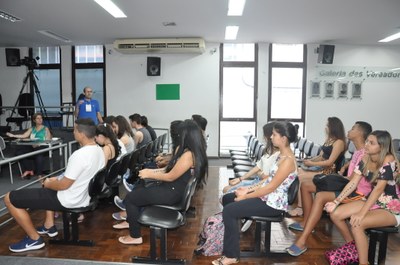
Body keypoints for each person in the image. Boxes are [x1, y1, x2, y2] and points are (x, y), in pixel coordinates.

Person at [4, 118, 105, 252]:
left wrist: (48, 183)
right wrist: (52, 181)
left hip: (68, 199)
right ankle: (49, 225)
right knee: (49, 184)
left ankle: (34, 239)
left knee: (9, 198)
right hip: (84, 196)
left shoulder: (80, 155)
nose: (73, 132)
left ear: (81, 134)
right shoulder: (100, 151)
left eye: (75, 130)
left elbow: (63, 185)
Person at [212, 121, 298, 265]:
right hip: (267, 197)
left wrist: (246, 196)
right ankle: (232, 236)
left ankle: (231, 255)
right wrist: (247, 189)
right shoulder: (280, 156)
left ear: (283, 139)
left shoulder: (288, 161)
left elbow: (271, 187)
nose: (271, 137)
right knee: (228, 198)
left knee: (229, 211)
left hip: (273, 204)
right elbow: (267, 181)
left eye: (274, 134)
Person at [287, 121, 373, 256]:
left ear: (360, 134)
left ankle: (303, 240)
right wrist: (345, 167)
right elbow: (353, 166)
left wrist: (338, 177)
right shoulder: (358, 151)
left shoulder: (365, 154)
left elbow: (353, 180)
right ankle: (307, 222)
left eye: (353, 128)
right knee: (306, 186)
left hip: (358, 193)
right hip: (347, 185)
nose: (349, 130)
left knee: (320, 196)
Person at [116, 119, 208, 245]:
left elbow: (170, 176)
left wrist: (150, 174)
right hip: (173, 189)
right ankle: (131, 218)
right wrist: (152, 172)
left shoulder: (188, 155)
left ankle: (135, 235)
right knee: (141, 186)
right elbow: (169, 169)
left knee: (132, 198)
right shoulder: (190, 151)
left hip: (172, 193)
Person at [324, 130, 399, 265]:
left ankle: (363, 262)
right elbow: (353, 182)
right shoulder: (365, 158)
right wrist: (336, 201)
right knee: (335, 214)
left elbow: (379, 189)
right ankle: (354, 248)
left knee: (357, 224)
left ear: (381, 147)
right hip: (371, 201)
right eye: (367, 141)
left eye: (371, 143)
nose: (366, 145)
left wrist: (361, 213)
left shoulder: (388, 159)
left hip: (390, 206)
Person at [289, 116, 347, 217]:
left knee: (301, 177)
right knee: (299, 172)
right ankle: (304, 206)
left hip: (329, 172)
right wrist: (309, 160)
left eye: (327, 125)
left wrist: (312, 164)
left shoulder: (339, 142)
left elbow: (330, 162)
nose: (325, 127)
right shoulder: (329, 139)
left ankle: (300, 208)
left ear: (333, 127)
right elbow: (321, 156)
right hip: (322, 169)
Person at [222, 122, 279, 194]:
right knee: (225, 189)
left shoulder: (278, 155)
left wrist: (260, 174)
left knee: (227, 192)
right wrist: (240, 179)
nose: (263, 138)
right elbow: (258, 167)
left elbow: (267, 177)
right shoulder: (269, 151)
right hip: (257, 180)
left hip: (262, 185)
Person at [6, 112, 52, 179]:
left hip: (42, 146)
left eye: (41, 118)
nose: (40, 120)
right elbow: (24, 135)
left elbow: (48, 140)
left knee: (38, 154)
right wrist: (13, 135)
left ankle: (39, 174)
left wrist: (41, 142)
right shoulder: (32, 128)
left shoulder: (45, 128)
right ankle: (29, 169)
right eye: (38, 118)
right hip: (32, 146)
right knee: (19, 152)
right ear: (34, 120)